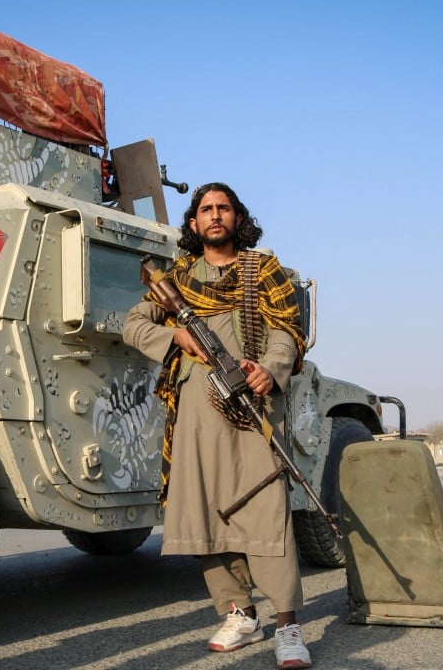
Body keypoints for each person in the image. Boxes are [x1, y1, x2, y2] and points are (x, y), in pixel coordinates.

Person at [123, 182, 312, 669]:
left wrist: (270, 368)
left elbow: (287, 331)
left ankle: (287, 624)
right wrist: (177, 334)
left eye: (223, 208)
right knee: (208, 511)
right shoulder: (178, 278)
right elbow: (133, 325)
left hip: (253, 404)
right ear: (193, 224)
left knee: (267, 509)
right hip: (196, 411)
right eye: (205, 209)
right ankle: (240, 614)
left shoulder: (260, 269)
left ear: (237, 217)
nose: (214, 215)